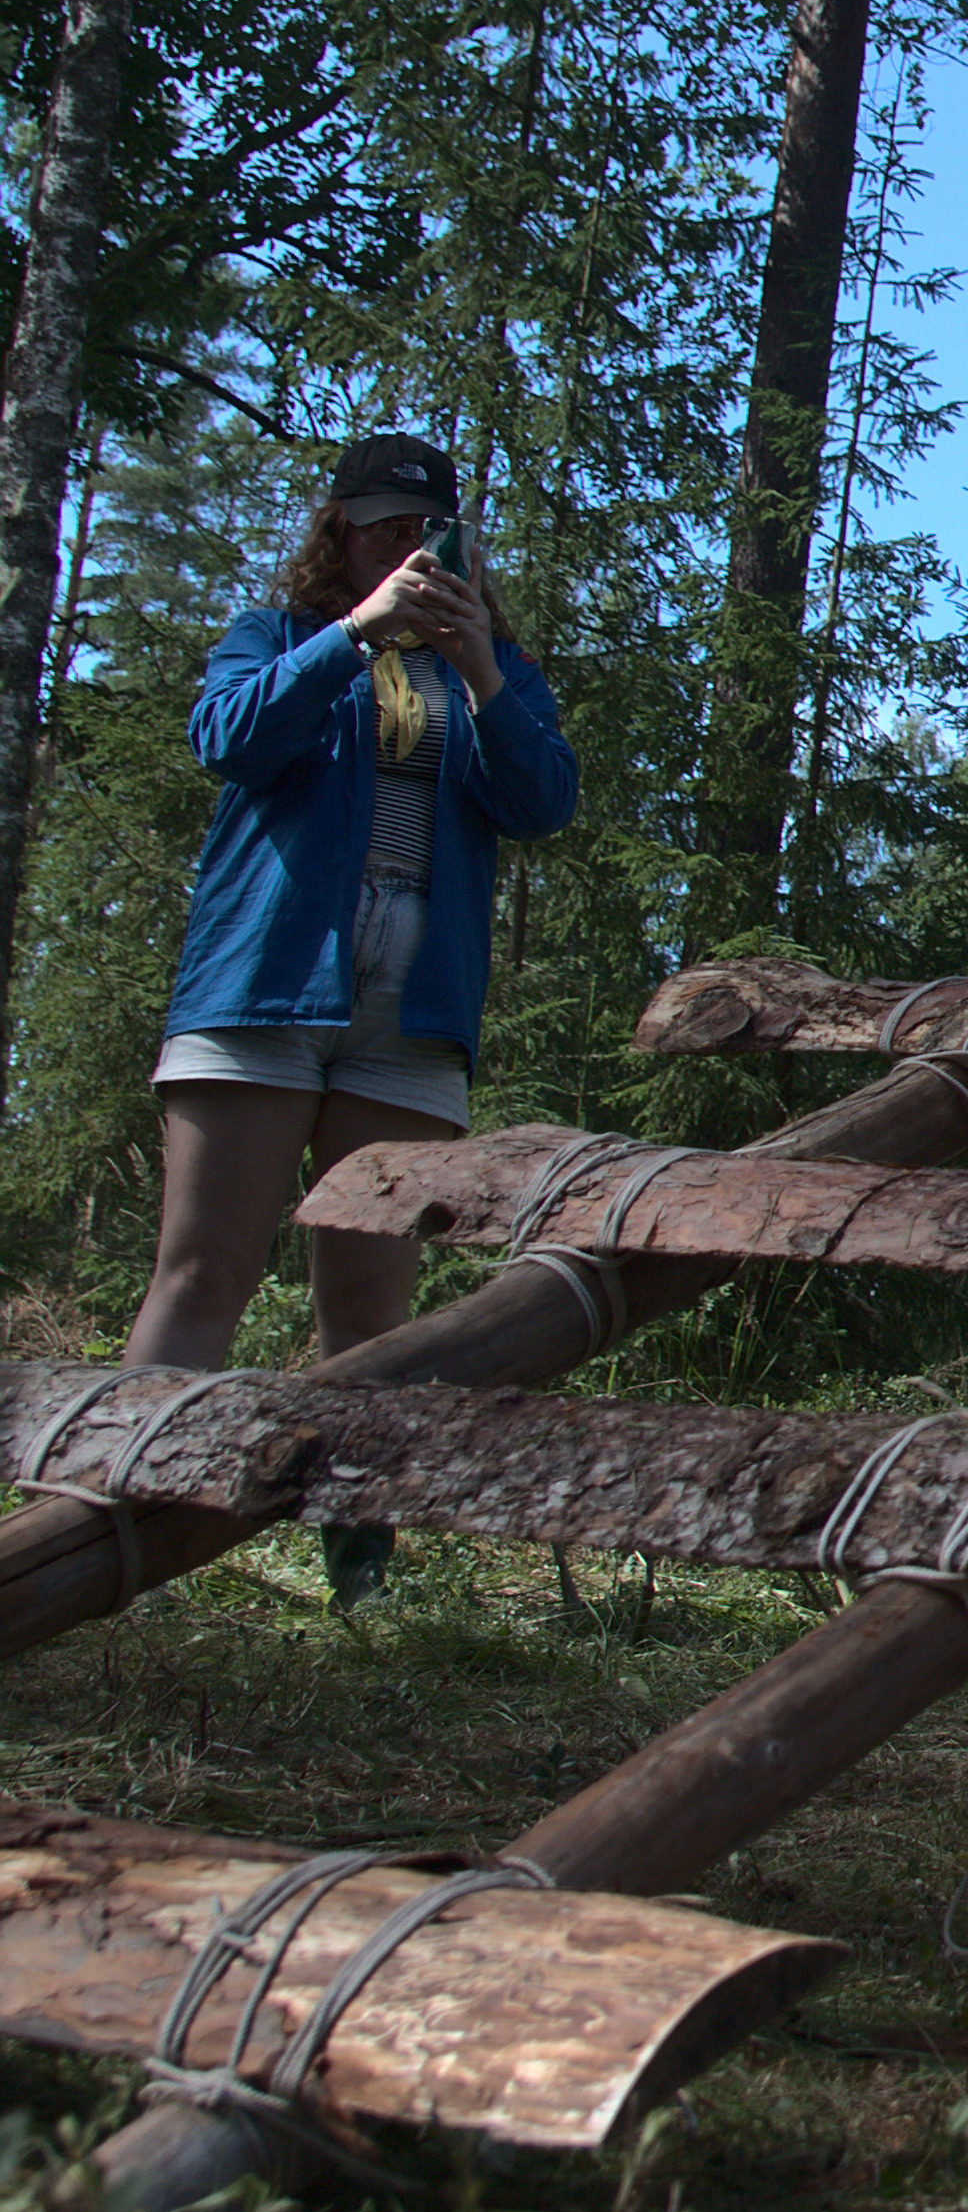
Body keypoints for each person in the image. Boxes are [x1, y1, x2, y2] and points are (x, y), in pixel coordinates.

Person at [131, 431, 579, 1600]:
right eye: (380, 526)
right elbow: (229, 739)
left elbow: (542, 802)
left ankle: (361, 1566)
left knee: (373, 1298)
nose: (405, 548)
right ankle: (118, 1525)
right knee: (204, 1269)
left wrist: (481, 670)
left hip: (409, 1015)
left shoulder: (490, 663)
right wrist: (353, 636)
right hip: (264, 987)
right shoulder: (279, 639)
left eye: (424, 532)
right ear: (339, 532)